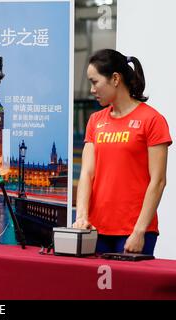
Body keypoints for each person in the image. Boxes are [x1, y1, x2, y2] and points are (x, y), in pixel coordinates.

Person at [72, 49, 172, 255]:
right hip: (95, 230)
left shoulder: (152, 120)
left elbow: (158, 181)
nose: (91, 89)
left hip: (133, 232)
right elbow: (86, 174)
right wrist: (81, 216)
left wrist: (139, 231)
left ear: (115, 79)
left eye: (95, 81)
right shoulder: (95, 121)